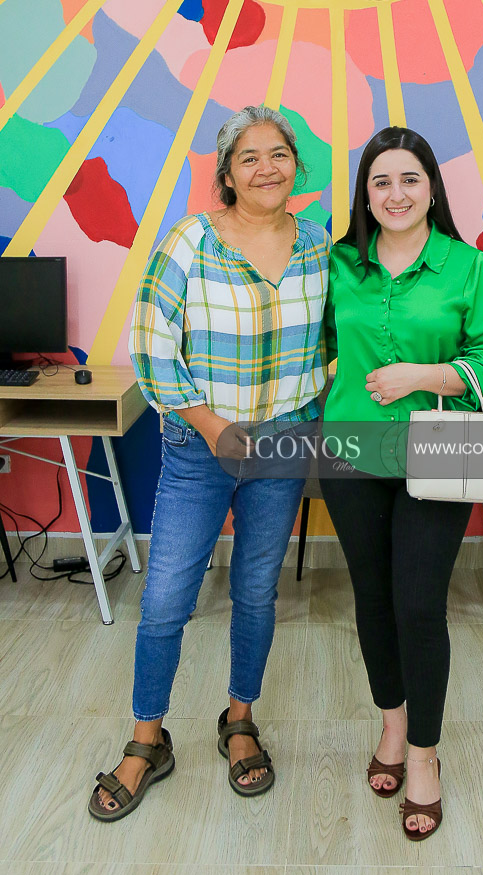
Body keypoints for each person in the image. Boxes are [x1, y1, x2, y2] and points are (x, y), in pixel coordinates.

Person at [88, 106, 331, 820]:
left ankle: (239, 720)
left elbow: (332, 343)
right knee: (167, 596)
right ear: (227, 173)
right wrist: (212, 425)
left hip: (282, 443)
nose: (266, 167)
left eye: (279, 153)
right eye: (248, 157)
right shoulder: (190, 241)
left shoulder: (319, 247)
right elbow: (151, 344)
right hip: (200, 446)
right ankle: (146, 742)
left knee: (255, 590)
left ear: (297, 165)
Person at [320, 127, 483, 841]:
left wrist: (423, 376)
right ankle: (392, 728)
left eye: (409, 179)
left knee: (420, 605)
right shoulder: (339, 263)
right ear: (365, 195)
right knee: (372, 599)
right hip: (352, 454)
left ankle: (425, 755)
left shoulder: (467, 265)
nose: (395, 194)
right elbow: (315, 342)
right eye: (381, 182)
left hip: (442, 450)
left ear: (431, 188)